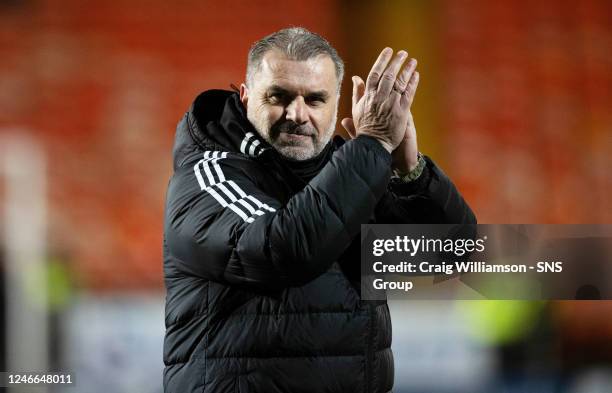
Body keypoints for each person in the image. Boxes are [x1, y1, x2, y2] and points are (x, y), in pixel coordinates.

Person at [162, 27, 475, 393]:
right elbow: (282, 250)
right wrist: (371, 145)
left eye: (315, 100)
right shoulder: (208, 175)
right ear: (247, 97)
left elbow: (454, 254)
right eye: (278, 96)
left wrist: (411, 174)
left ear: (336, 105)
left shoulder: (354, 174)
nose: (296, 114)